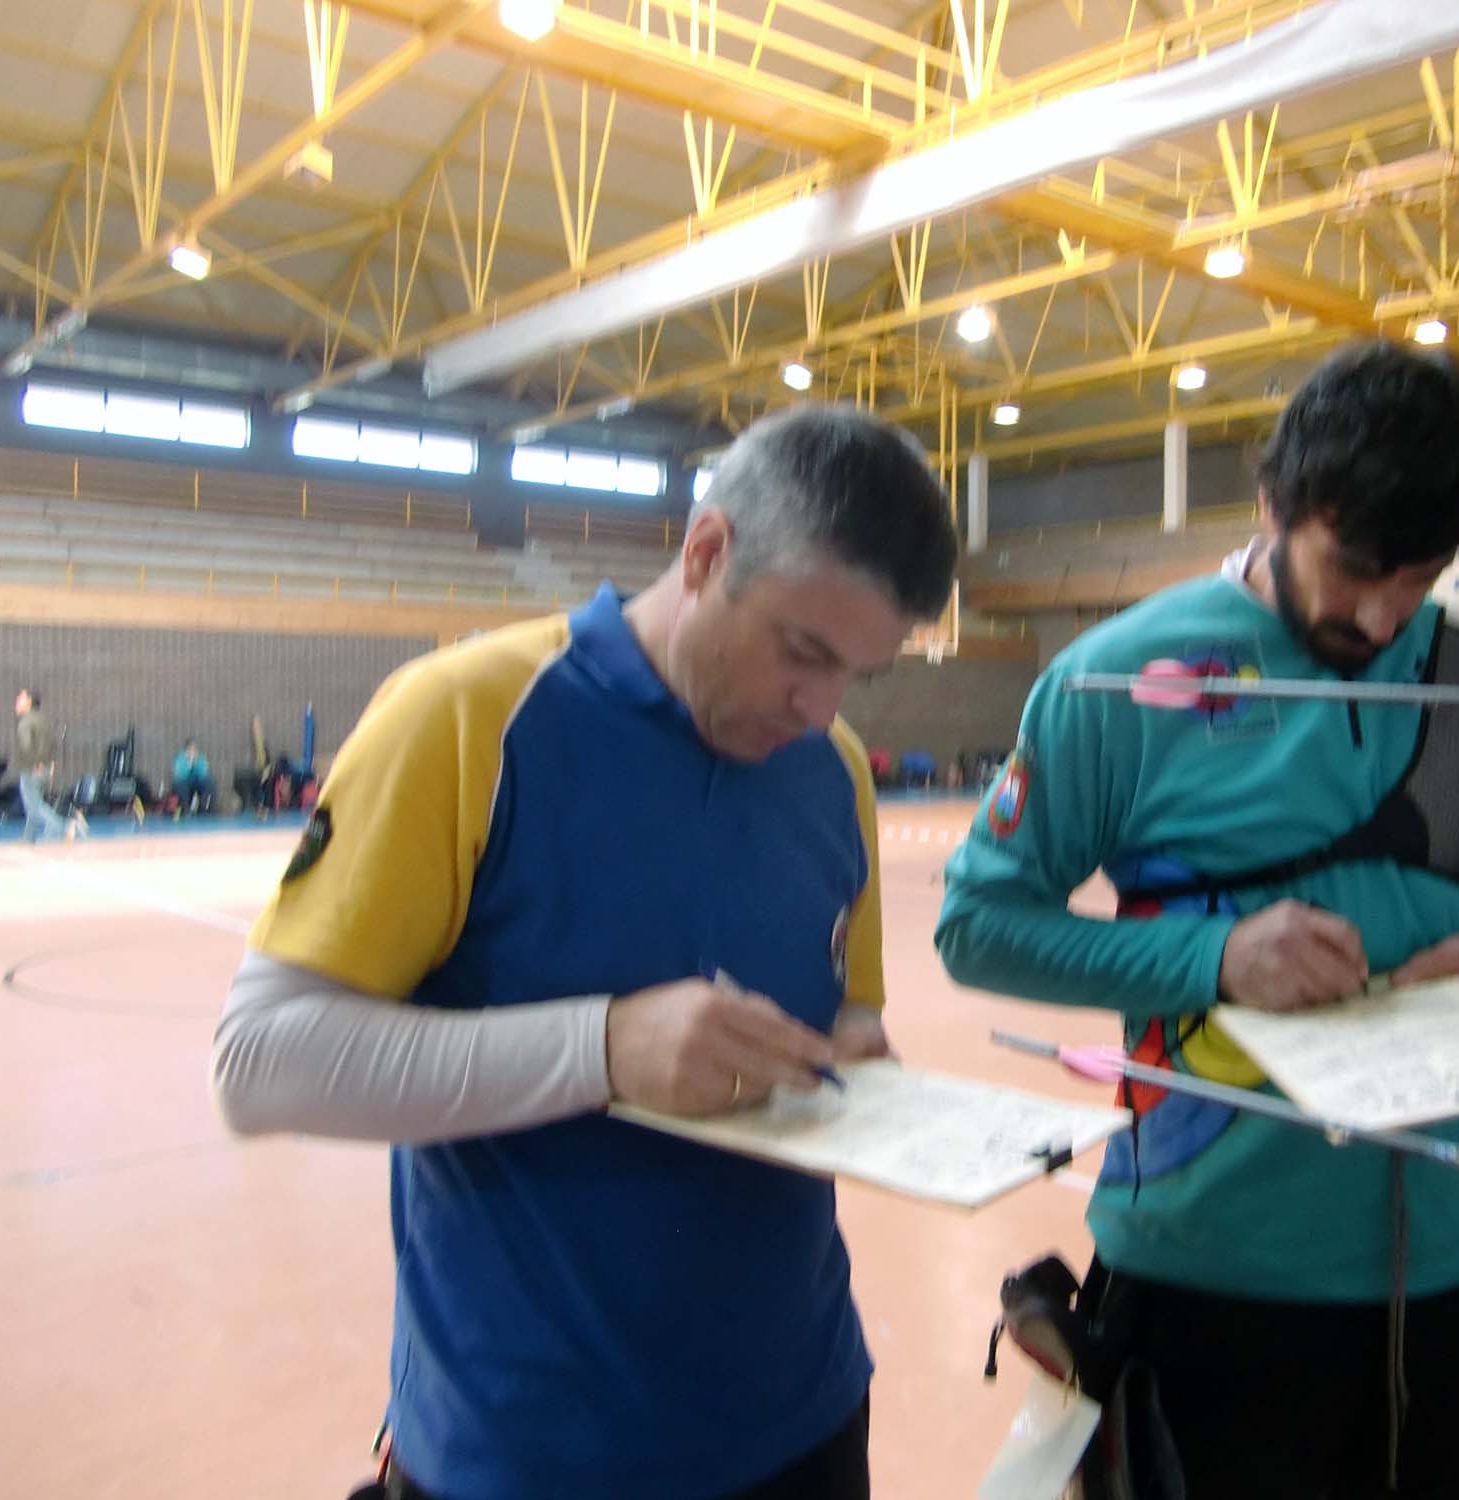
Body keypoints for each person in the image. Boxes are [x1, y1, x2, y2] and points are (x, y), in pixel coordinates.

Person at [211, 404, 958, 1500]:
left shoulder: (832, 767)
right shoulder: (466, 717)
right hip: (528, 1450)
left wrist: (859, 1058)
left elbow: (846, 1015)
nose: (820, 708)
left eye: (858, 673)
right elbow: (260, 1063)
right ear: (706, 554)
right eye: (802, 653)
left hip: (803, 1417)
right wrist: (604, 1049)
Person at [937, 340, 1459, 1498]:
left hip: (1441, 1262)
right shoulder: (1114, 680)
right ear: (1272, 503)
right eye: (1354, 567)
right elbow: (977, 925)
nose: (1379, 614)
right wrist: (1215, 956)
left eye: (1418, 577)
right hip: (1200, 1268)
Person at [13, 688, 84, 843]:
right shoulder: (42, 720)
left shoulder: (25, 722)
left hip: (32, 769)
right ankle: (28, 838)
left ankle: (65, 827)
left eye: (21, 697)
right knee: (34, 804)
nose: (17, 700)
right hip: (44, 768)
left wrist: (35, 763)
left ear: (29, 701)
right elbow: (51, 745)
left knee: (35, 806)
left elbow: (27, 746)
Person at [173, 738, 216, 815]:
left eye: (194, 749)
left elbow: (203, 774)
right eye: (190, 749)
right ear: (186, 750)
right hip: (184, 782)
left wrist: (196, 763)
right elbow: (180, 775)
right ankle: (185, 809)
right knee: (180, 784)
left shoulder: (201, 758)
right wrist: (189, 764)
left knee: (209, 782)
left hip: (197, 782)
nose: (192, 751)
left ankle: (204, 808)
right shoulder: (180, 758)